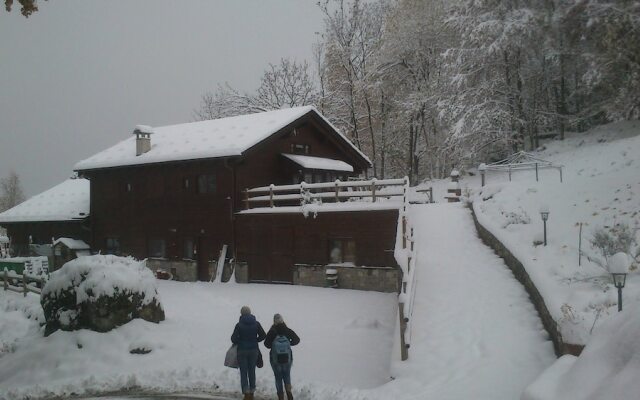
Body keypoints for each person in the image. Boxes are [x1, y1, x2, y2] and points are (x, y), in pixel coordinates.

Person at [231, 306, 266, 400]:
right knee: (252, 371)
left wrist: (240, 341)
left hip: (242, 350)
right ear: (250, 313)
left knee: (243, 372)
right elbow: (263, 335)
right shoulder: (256, 323)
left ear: (241, 314)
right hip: (254, 350)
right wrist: (255, 340)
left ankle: (246, 393)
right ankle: (252, 392)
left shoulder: (239, 325)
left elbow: (233, 339)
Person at [264, 313, 300, 400]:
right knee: (287, 375)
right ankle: (289, 393)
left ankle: (280, 397)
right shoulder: (287, 330)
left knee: (278, 377)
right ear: (282, 320)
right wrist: (289, 344)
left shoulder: (272, 331)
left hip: (275, 359)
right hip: (287, 358)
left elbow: (266, 344)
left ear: (274, 321)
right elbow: (297, 340)